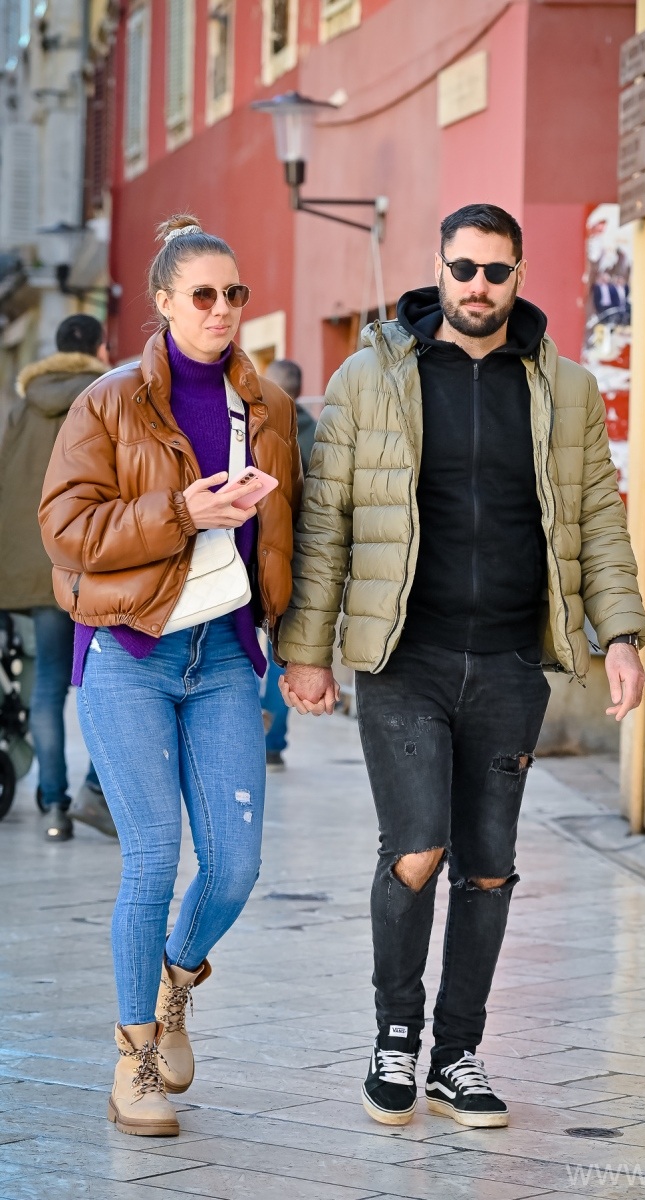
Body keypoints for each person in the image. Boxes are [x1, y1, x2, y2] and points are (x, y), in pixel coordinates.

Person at [276, 203, 645, 1129]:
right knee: (417, 850)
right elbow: (326, 523)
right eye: (463, 268)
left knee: (487, 867)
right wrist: (307, 651)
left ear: (519, 275)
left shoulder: (563, 387)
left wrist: (621, 634)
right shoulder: (371, 377)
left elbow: (599, 518)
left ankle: (457, 1055)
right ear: (438, 269)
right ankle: (395, 1037)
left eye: (496, 270)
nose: (478, 286)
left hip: (513, 660)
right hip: (406, 655)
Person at [39, 214, 302, 1137]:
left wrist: (296, 644)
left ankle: (175, 982)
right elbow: (66, 530)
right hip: (131, 652)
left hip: (225, 655)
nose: (222, 308)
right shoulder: (108, 402)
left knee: (234, 865)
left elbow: (290, 536)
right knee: (153, 857)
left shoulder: (265, 408)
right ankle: (135, 1060)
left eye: (235, 293)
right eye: (203, 294)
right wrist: (181, 512)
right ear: (163, 302)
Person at [0, 314, 114, 842]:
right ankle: (96, 792)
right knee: (110, 682)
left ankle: (53, 806)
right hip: (94, 561)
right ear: (99, 348)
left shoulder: (23, 408)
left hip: (37, 567)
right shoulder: (106, 396)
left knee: (47, 685)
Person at [259, 359, 316, 771]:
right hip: (298, 559)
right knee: (283, 652)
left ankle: (249, 734)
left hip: (256, 556)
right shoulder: (317, 431)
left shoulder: (256, 423)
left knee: (243, 652)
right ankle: (272, 743)